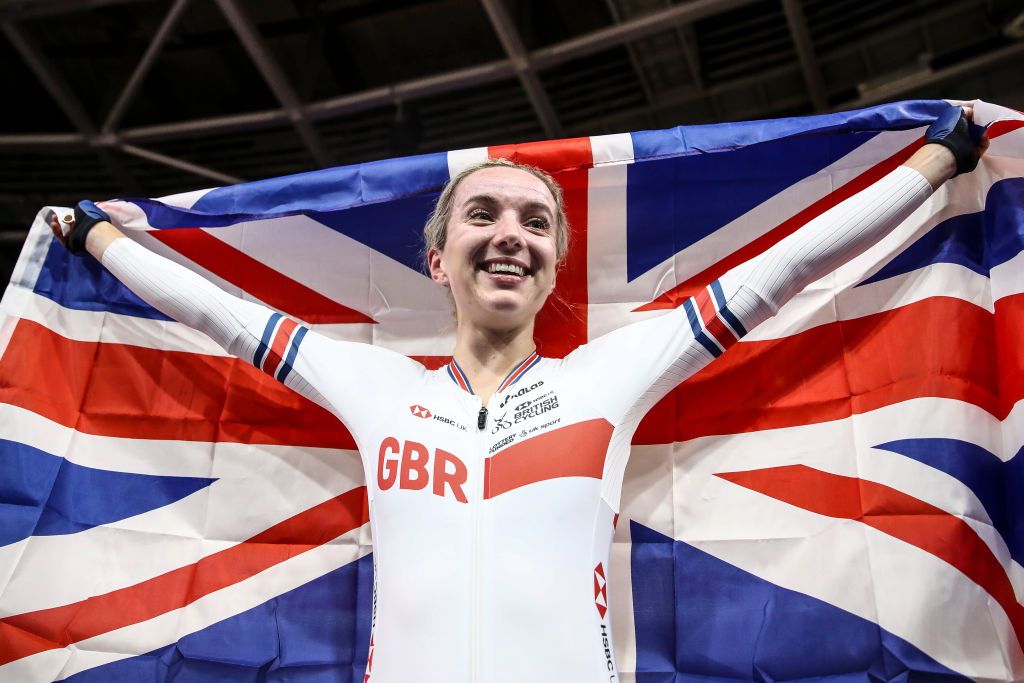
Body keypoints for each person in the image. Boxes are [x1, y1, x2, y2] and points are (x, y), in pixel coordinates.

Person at [51, 105, 987, 682]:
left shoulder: (614, 373)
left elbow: (781, 270)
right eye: (484, 214)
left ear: (554, 271)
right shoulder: (372, 383)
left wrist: (929, 167)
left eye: (537, 223)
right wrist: (101, 241)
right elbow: (222, 315)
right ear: (438, 258)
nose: (512, 233)